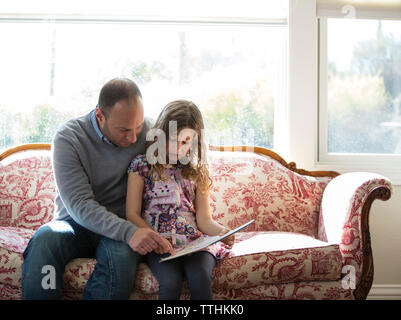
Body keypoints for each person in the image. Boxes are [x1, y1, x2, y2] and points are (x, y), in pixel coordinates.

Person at [22, 78, 171, 300]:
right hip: (74, 224)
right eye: (123, 130)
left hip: (122, 223)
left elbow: (180, 165)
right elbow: (80, 204)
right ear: (100, 116)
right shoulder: (69, 138)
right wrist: (130, 232)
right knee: (45, 240)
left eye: (137, 127)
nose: (132, 138)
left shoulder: (148, 133)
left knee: (121, 257)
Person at [126, 100, 235, 300]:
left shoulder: (196, 172)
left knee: (200, 278)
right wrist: (154, 239)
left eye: (186, 142)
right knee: (170, 283)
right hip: (161, 244)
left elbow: (204, 220)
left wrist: (222, 232)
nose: (178, 147)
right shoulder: (141, 166)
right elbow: (131, 214)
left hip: (195, 242)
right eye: (173, 139)